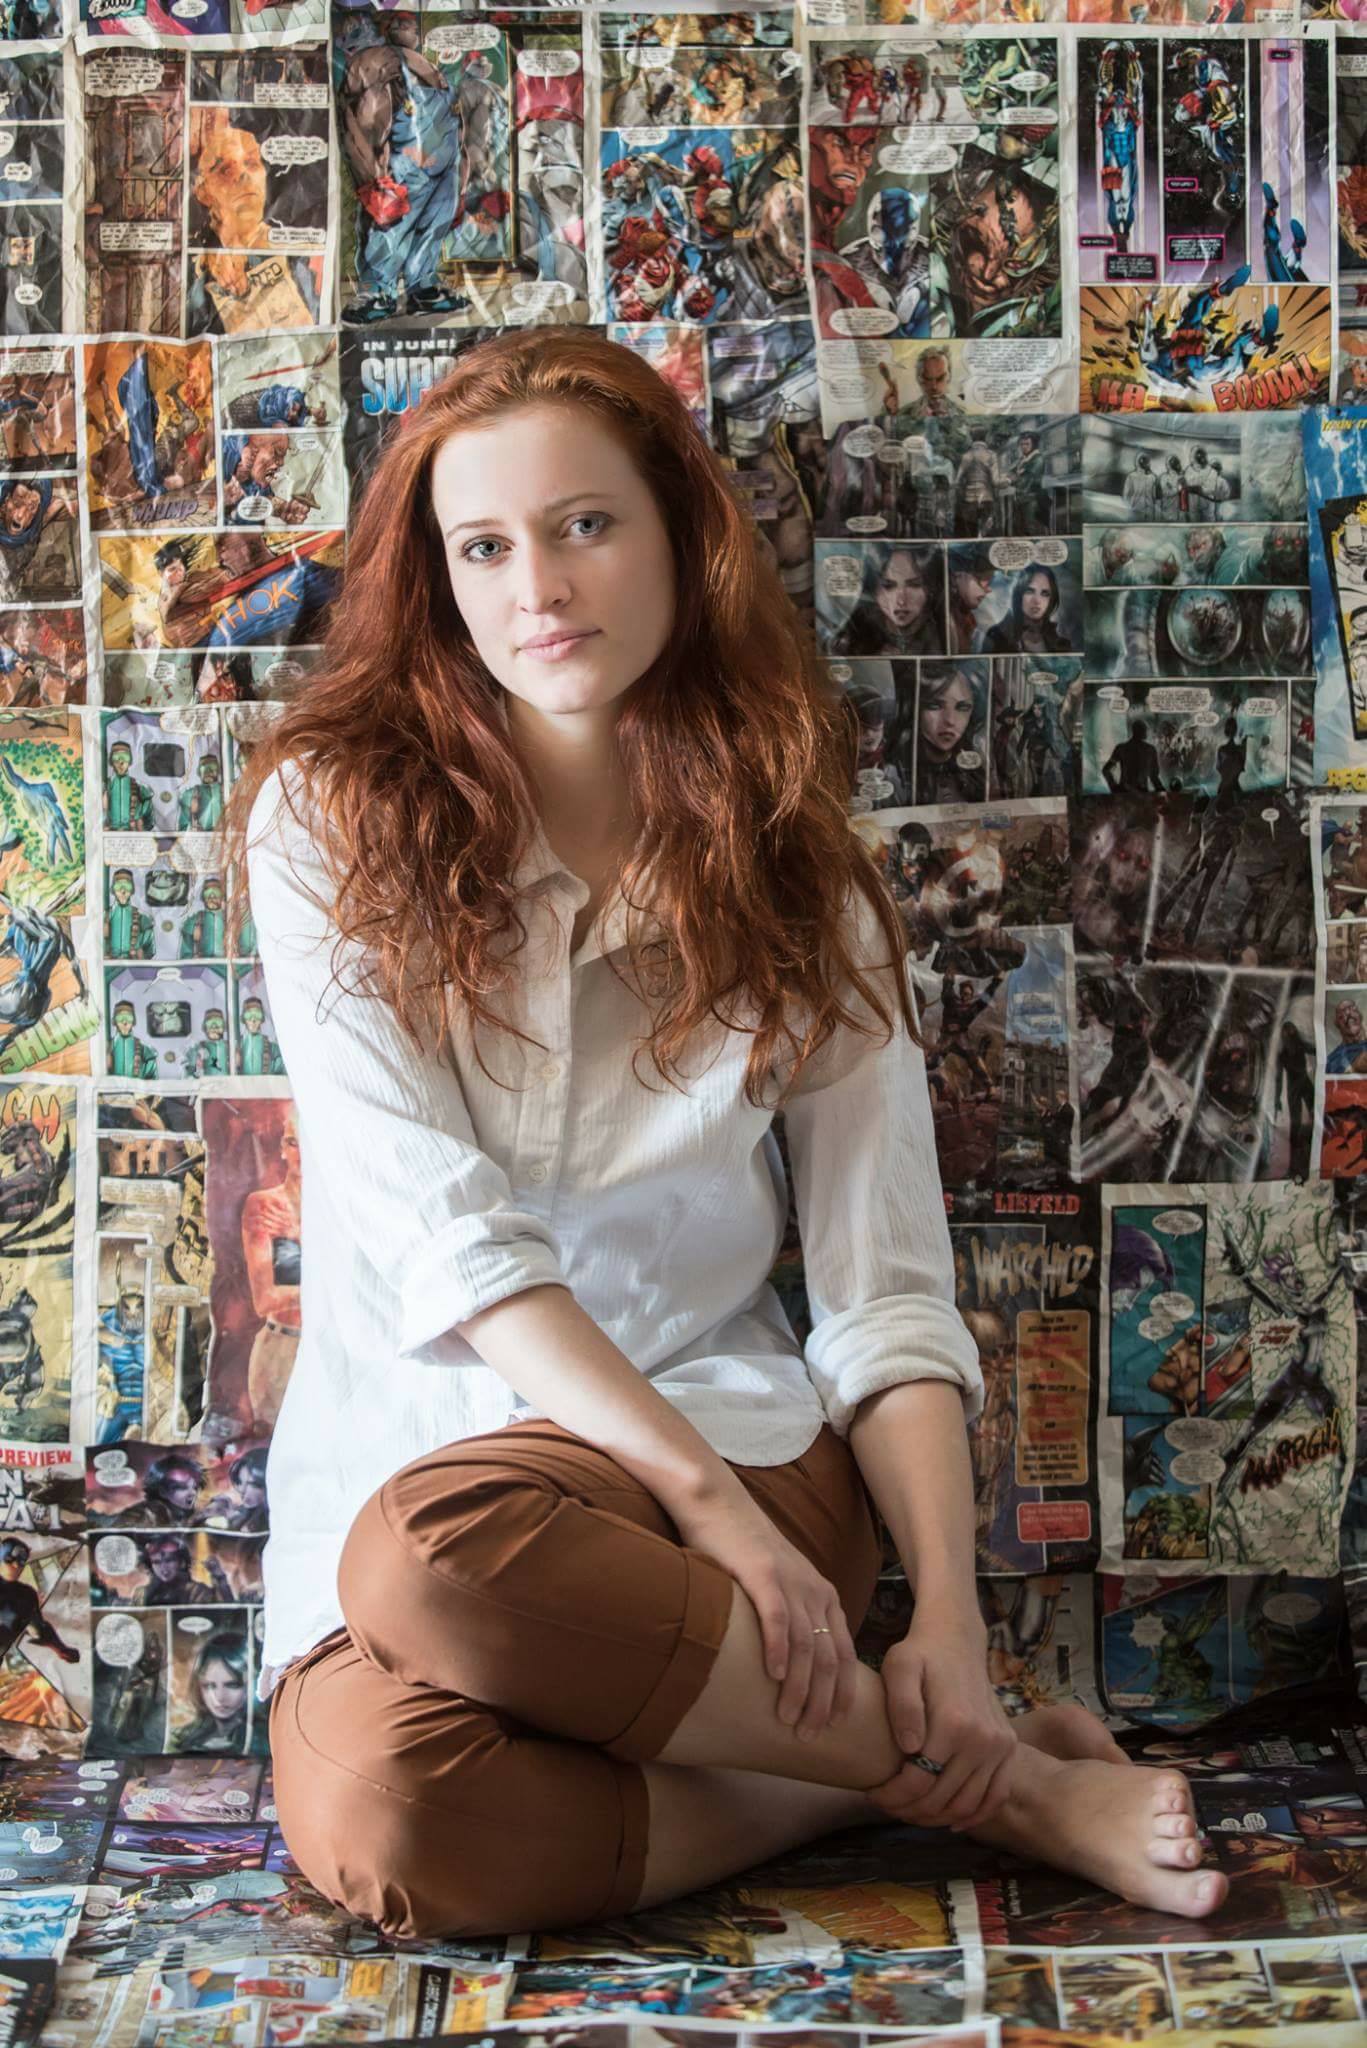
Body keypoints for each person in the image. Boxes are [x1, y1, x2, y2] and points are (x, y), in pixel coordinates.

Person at [215, 328, 1226, 1946]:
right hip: (437, 1470)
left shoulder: (800, 877)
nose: (539, 587)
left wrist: (944, 1615)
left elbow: (883, 1290)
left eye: (583, 525)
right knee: (389, 1808)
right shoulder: (325, 823)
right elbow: (441, 1234)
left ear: (682, 536)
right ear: (439, 583)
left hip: (729, 1433)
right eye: (485, 547)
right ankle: (964, 1782)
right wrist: (708, 1511)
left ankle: (925, 1724)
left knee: (432, 1562)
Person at [983, 564, 1071, 655]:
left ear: (1051, 599)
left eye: (1045, 594)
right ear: (1019, 594)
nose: (1037, 601)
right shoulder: (997, 636)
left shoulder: (1060, 642)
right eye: (1029, 591)